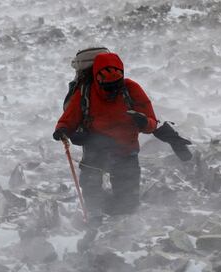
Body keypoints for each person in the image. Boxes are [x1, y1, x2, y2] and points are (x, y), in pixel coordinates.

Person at [53, 51, 158, 227]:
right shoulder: (86, 91)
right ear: (96, 78)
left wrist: (144, 122)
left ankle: (120, 221)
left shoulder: (131, 89)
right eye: (107, 86)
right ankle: (95, 217)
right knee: (91, 183)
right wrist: (62, 129)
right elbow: (71, 116)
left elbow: (152, 123)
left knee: (127, 203)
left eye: (115, 86)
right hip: (96, 146)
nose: (111, 91)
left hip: (125, 148)